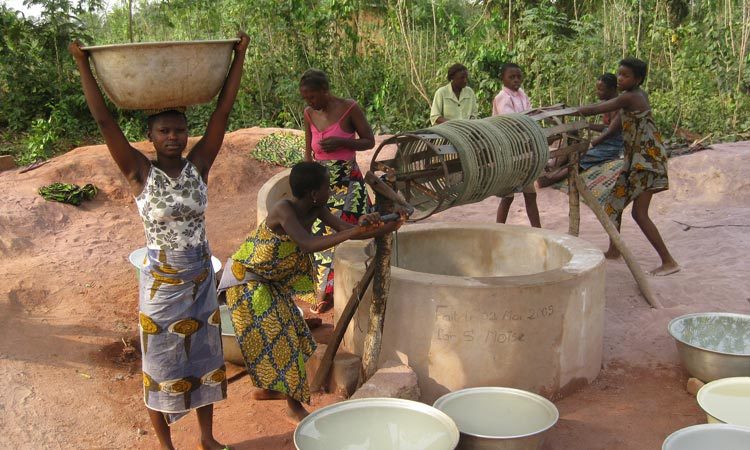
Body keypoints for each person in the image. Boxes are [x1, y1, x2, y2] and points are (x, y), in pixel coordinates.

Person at [70, 32, 249, 450]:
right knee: (160, 362)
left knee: (205, 358)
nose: (175, 137)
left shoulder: (199, 165)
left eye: (180, 130)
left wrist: (238, 56)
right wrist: (83, 64)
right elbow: (103, 121)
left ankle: (206, 438)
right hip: (162, 285)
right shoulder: (138, 172)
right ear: (150, 136)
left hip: (201, 278)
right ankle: (167, 447)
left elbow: (223, 111)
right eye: (165, 131)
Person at [218, 162, 404, 423]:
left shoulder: (317, 208)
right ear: (313, 192)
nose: (331, 190)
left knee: (294, 334)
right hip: (247, 283)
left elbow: (348, 232)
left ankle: (267, 389)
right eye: (327, 186)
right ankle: (293, 408)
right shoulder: (284, 210)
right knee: (288, 340)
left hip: (268, 283)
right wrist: (356, 230)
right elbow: (307, 245)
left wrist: (384, 226)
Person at [578, 57, 680, 276]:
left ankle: (669, 261)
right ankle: (614, 250)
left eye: (625, 75)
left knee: (639, 214)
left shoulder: (631, 97)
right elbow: (613, 127)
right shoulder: (631, 99)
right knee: (614, 204)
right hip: (636, 161)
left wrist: (570, 112)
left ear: (638, 79)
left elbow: (597, 108)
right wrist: (593, 137)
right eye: (619, 74)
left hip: (648, 163)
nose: (620, 78)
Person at [299, 69, 374, 314]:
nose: (310, 102)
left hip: (349, 183)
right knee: (320, 235)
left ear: (325, 90)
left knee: (356, 232)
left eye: (313, 97)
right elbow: (308, 151)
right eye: (306, 98)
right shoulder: (309, 114)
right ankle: (323, 291)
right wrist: (307, 179)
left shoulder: (349, 108)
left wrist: (343, 142)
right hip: (321, 185)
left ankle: (360, 287)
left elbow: (369, 141)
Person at [537, 73, 624, 187]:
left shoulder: (621, 107)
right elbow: (602, 124)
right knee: (571, 134)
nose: (597, 92)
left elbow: (610, 131)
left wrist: (591, 144)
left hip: (613, 146)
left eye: (601, 90)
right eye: (597, 89)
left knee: (582, 157)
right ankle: (553, 165)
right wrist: (585, 124)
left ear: (612, 89)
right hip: (605, 140)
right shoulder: (607, 103)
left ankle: (551, 179)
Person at [493, 63, 540, 227]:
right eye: (511, 77)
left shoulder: (522, 95)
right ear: (503, 79)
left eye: (519, 77)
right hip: (510, 151)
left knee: (530, 194)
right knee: (508, 196)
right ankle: (499, 229)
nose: (516, 80)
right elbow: (512, 121)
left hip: (525, 152)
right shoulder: (502, 97)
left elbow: (530, 114)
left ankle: (538, 230)